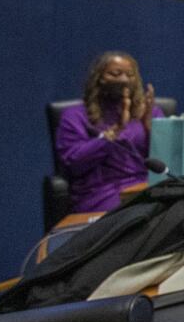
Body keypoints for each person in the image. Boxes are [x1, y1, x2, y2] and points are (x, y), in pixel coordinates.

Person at [54, 52, 155, 213]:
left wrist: (151, 129)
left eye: (130, 75)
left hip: (145, 186)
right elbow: (73, 163)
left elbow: (165, 161)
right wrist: (114, 133)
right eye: (115, 74)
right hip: (102, 193)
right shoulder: (76, 116)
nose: (124, 80)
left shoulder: (148, 112)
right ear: (99, 78)